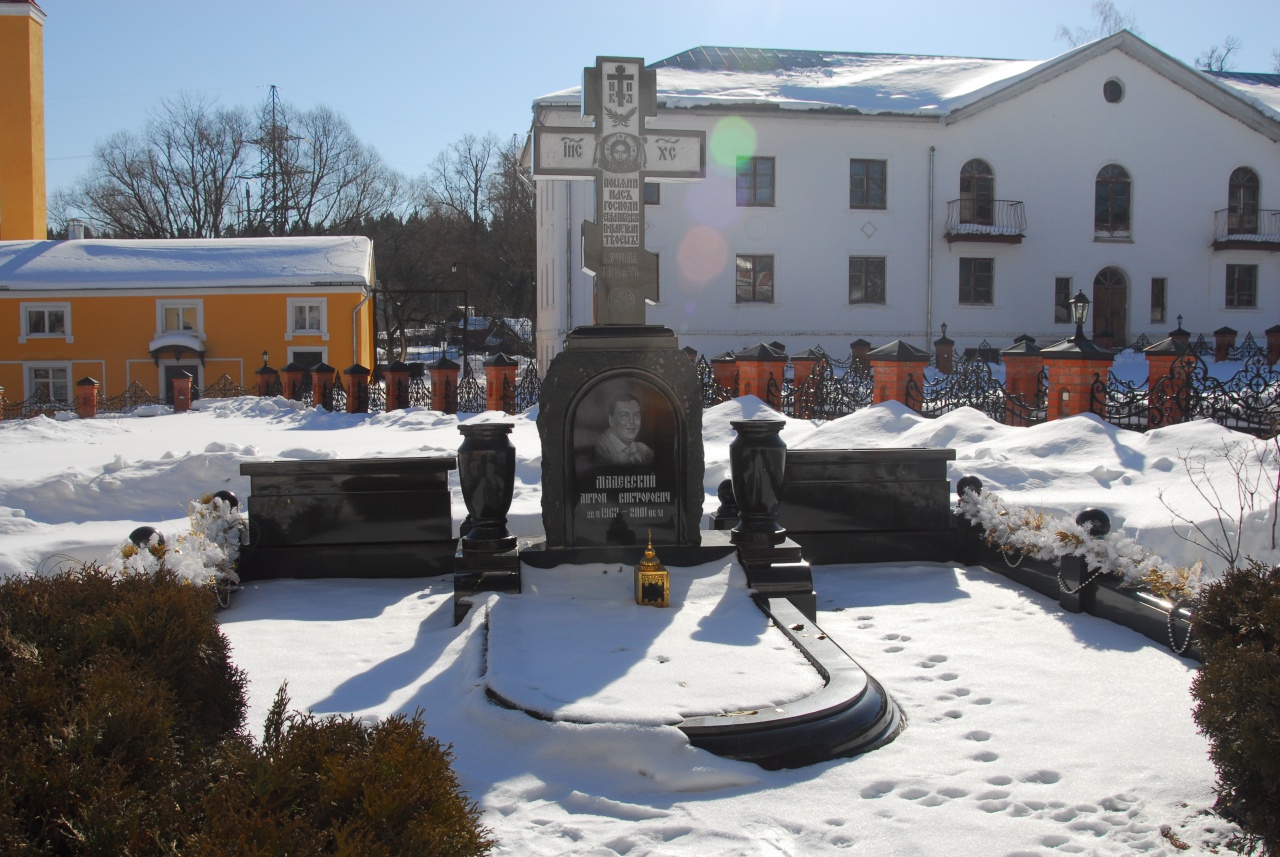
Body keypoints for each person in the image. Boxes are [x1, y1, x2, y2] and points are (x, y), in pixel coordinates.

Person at [594, 395, 653, 466]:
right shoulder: (599, 449)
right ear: (611, 420)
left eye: (636, 415)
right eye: (625, 415)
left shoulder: (644, 450)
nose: (632, 421)